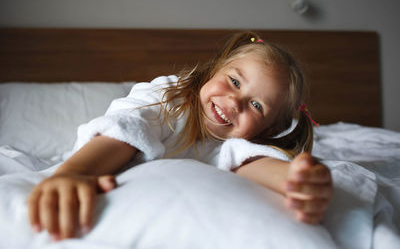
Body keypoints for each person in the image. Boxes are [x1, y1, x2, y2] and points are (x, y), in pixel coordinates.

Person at [27, 31, 333, 241]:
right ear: (215, 70)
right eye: (235, 81)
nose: (234, 102)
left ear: (266, 130)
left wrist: (293, 180)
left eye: (256, 105)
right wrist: (75, 172)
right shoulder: (169, 97)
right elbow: (129, 127)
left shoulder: (235, 142)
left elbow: (247, 163)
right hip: (101, 165)